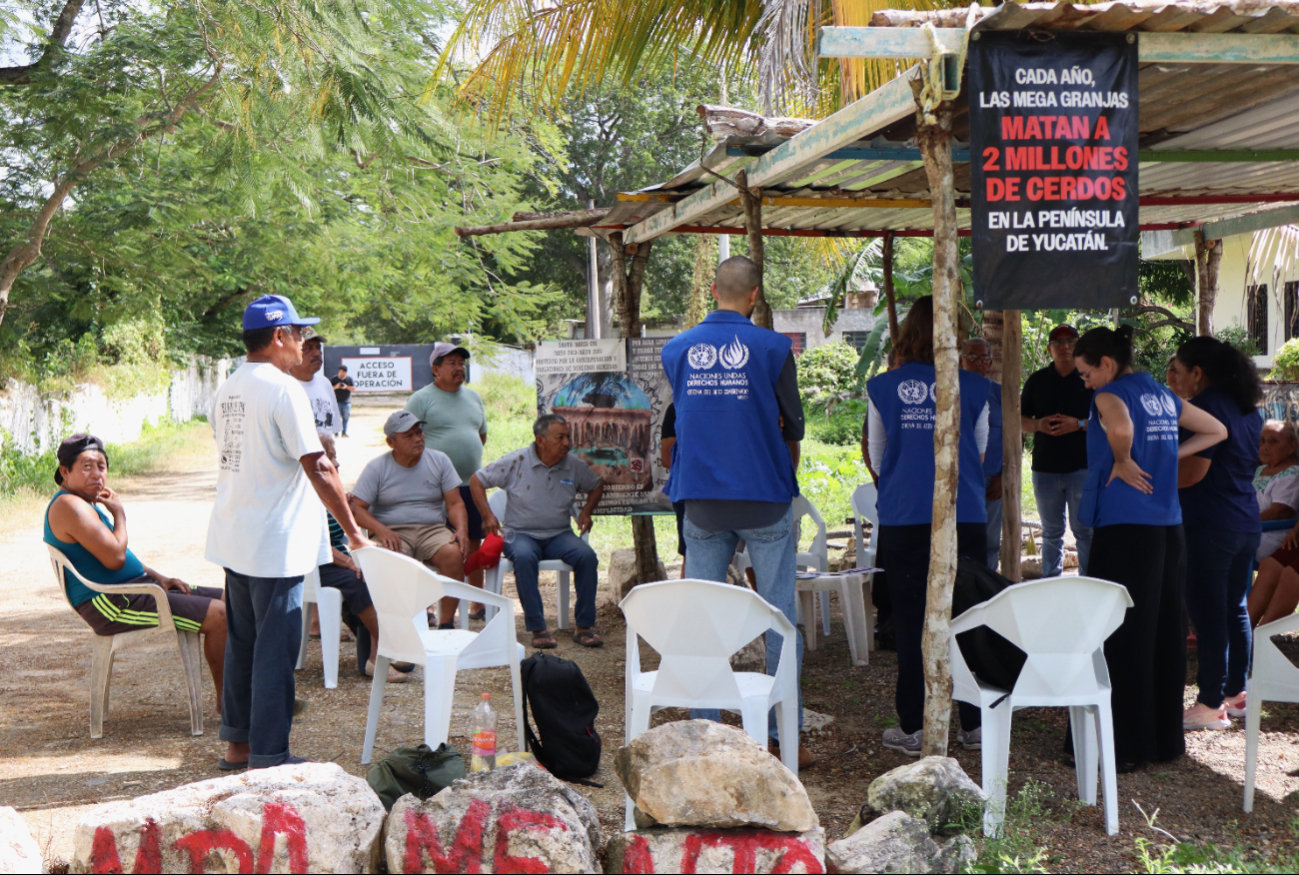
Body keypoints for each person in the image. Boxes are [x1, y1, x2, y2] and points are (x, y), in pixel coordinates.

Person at [207, 294, 372, 771]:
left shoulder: (228, 388)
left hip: (236, 534)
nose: (304, 341)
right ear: (278, 336)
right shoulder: (284, 391)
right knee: (275, 652)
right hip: (274, 543)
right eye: (299, 332)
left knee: (243, 644)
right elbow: (318, 467)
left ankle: (238, 746)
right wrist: (354, 532)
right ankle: (270, 755)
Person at [661, 255, 810, 766]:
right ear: (754, 296)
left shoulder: (676, 349)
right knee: (778, 616)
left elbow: (683, 416)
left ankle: (707, 732)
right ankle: (780, 732)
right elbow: (795, 424)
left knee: (702, 616)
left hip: (701, 500)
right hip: (764, 496)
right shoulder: (772, 348)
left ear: (711, 290)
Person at [1072, 325, 1225, 770]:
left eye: (1086, 373)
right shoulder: (1161, 392)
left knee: (1117, 630)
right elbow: (1215, 430)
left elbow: (1118, 424)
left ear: (1106, 363)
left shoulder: (1111, 393)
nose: (1085, 383)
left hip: (1125, 526)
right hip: (1167, 525)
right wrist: (1168, 455)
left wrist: (1123, 458)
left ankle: (1122, 744)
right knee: (1163, 630)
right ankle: (1162, 740)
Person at [866, 296, 991, 756]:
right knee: (972, 615)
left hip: (904, 515)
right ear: (951, 333)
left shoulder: (882, 388)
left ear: (906, 335)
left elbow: (878, 458)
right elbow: (977, 454)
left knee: (912, 619)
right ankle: (975, 724)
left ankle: (912, 725)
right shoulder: (976, 388)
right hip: (966, 514)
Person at [44, 433, 228, 706]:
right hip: (110, 602)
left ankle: (248, 693)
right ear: (64, 471)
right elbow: (116, 558)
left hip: (136, 589)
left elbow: (119, 553)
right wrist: (119, 513)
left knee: (233, 599)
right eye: (86, 466)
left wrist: (160, 578)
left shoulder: (83, 502)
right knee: (222, 615)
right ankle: (232, 706)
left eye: (101, 466)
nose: (97, 474)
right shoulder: (69, 506)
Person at [1171, 337, 1263, 731]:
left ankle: (1210, 702)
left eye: (1180, 370)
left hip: (1210, 521)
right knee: (1234, 608)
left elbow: (1193, 472)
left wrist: (1154, 481)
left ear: (1197, 373)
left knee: (1208, 614)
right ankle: (1235, 692)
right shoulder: (1247, 408)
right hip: (1244, 520)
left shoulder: (1205, 407)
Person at [470, 414, 604, 648]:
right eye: (559, 437)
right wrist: (488, 515)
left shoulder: (573, 464)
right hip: (520, 533)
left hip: (559, 534)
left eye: (567, 437)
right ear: (540, 440)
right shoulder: (517, 460)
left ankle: (584, 626)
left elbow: (596, 485)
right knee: (523, 557)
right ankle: (538, 627)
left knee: (587, 557)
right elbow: (476, 480)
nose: (566, 443)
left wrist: (586, 512)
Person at [349, 411, 470, 628]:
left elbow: (455, 503)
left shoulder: (439, 460)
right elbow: (357, 508)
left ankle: (446, 624)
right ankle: (405, 626)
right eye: (409, 436)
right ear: (391, 442)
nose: (417, 439)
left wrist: (461, 530)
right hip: (392, 531)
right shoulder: (377, 468)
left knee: (453, 554)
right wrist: (382, 530)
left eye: (419, 433)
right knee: (395, 560)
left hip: (432, 529)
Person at [405, 343, 490, 619]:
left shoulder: (474, 398)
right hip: (434, 487)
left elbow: (481, 436)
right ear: (435, 369)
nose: (458, 367)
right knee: (434, 545)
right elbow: (407, 438)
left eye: (461, 363)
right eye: (451, 362)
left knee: (474, 542)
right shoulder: (421, 399)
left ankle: (477, 602)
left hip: (471, 484)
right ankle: (428, 606)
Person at [1021, 325, 1094, 576]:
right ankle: (1050, 584)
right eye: (1058, 342)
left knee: (1085, 531)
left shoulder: (1089, 381)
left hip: (1082, 468)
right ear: (1049, 348)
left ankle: (1089, 584)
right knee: (1051, 533)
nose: (1065, 347)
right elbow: (1019, 418)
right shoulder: (1037, 381)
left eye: (1070, 341)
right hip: (1045, 469)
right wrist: (1038, 424)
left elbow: (1108, 422)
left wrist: (1078, 424)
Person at [1247, 421, 1299, 628]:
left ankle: (1261, 637)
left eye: (1273, 441)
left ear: (1292, 446)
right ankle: (1244, 631)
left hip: (1268, 533)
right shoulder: (1259, 469)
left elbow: (1281, 510)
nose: (1265, 446)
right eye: (1262, 441)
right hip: (1256, 530)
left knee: (1290, 574)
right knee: (1270, 565)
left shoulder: (1292, 473)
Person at [962, 337, 1004, 570]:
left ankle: (988, 590)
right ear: (960, 360)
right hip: (961, 480)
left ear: (990, 363)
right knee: (964, 537)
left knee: (990, 541)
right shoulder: (949, 391)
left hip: (992, 477)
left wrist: (1003, 475)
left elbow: (1014, 436)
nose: (978, 362)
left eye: (983, 358)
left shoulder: (999, 393)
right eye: (972, 357)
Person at [289, 328, 341, 439]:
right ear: (293, 350)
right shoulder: (283, 387)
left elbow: (331, 430)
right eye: (308, 348)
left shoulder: (325, 384)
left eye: (318, 347)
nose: (317, 353)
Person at [659, 402, 686, 564]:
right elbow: (667, 459)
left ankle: (758, 590)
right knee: (693, 555)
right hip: (690, 492)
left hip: (737, 492)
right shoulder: (677, 407)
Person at [332, 366, 355, 437]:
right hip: (337, 401)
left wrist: (346, 387)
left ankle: (344, 432)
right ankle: (336, 433)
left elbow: (353, 389)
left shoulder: (349, 379)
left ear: (345, 372)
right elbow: (329, 389)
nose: (341, 373)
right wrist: (336, 387)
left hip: (346, 401)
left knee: (346, 417)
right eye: (340, 371)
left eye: (343, 372)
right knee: (336, 417)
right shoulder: (334, 379)